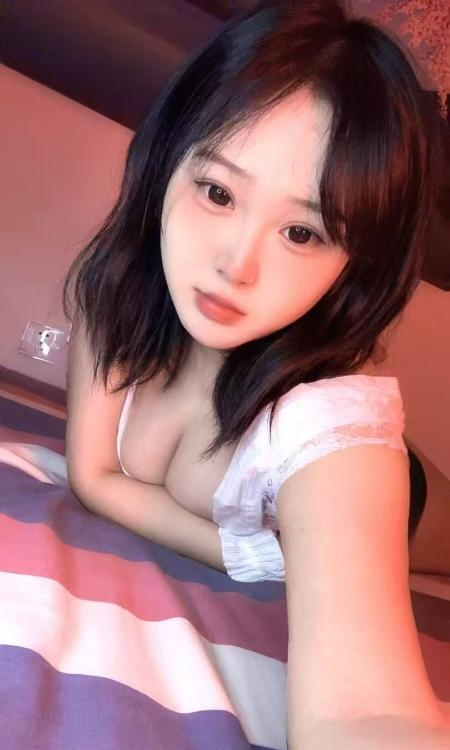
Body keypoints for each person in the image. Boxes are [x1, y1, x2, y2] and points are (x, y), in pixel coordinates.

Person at [63, 0, 449, 746]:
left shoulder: (331, 427)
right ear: (168, 157)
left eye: (302, 232)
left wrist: (305, 556)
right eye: (217, 192)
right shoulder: (111, 301)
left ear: (354, 264)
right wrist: (271, 555)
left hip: (412, 500)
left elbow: (365, 711)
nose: (236, 266)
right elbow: (92, 477)